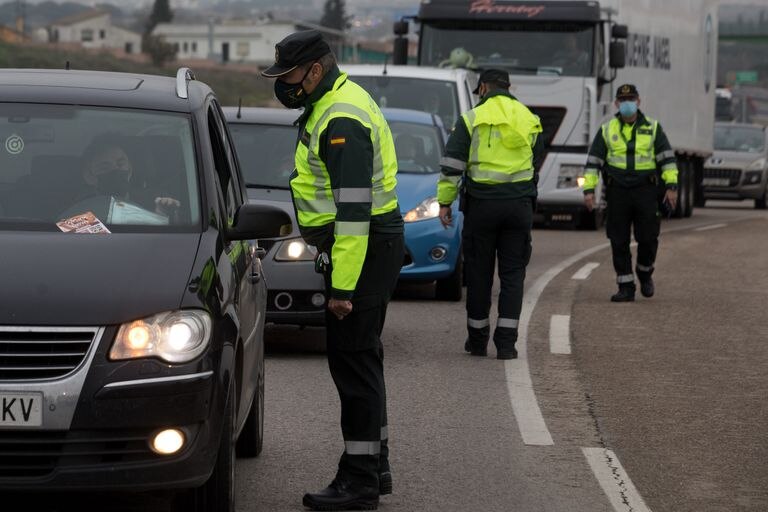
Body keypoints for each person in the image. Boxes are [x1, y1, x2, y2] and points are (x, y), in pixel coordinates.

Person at [261, 30, 404, 511]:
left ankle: (359, 480)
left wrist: (342, 286)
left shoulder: (342, 117)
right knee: (365, 361)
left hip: (359, 251)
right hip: (365, 249)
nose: (284, 85)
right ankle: (374, 466)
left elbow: (354, 214)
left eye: (288, 76)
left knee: (354, 364)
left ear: (315, 71)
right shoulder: (335, 103)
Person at [437, 69, 543, 359]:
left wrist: (445, 203)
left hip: (482, 207)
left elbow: (452, 166)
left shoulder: (471, 119)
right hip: (518, 207)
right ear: (508, 87)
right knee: (512, 276)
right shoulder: (529, 118)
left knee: (480, 274)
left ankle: (478, 340)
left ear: (482, 87)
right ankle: (507, 345)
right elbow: (537, 162)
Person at [583, 84, 678, 302]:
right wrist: (588, 191)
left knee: (648, 238)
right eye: (623, 99)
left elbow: (668, 160)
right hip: (617, 192)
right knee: (618, 240)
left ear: (638, 101)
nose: (627, 103)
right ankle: (625, 286)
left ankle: (645, 273)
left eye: (631, 99)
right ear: (616, 104)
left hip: (646, 191)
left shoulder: (653, 128)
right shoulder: (607, 130)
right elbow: (592, 164)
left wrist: (671, 188)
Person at [78, 137, 181, 223]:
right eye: (105, 167)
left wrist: (165, 215)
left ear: (130, 169)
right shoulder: (80, 208)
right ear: (89, 176)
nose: (115, 170)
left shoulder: (156, 199)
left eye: (121, 164)